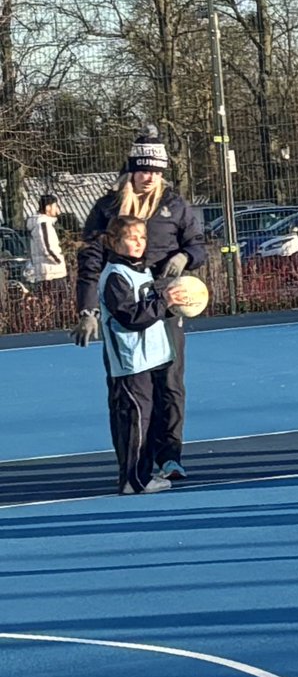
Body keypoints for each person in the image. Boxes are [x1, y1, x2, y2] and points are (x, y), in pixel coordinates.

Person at [74, 126, 207, 480]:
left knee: (170, 385)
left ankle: (170, 456)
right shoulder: (108, 207)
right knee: (129, 392)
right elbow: (89, 261)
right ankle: (135, 464)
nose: (150, 177)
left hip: (167, 305)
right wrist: (87, 310)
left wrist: (185, 258)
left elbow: (198, 245)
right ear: (131, 169)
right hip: (123, 311)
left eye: (157, 171)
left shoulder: (176, 206)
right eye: (144, 169)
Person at [98, 215, 188, 494]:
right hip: (130, 362)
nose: (138, 243)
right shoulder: (115, 275)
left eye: (142, 238)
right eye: (131, 238)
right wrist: (164, 302)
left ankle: (143, 474)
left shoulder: (140, 270)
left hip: (149, 358)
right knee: (134, 421)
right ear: (115, 242)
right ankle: (132, 480)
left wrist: (172, 304)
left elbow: (150, 307)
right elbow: (130, 316)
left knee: (148, 420)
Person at [24, 193, 68, 297]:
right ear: (48, 207)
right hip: (51, 272)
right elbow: (47, 248)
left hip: (48, 271)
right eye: (55, 206)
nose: (58, 209)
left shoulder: (43, 223)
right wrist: (59, 260)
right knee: (58, 304)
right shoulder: (43, 223)